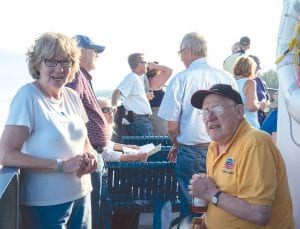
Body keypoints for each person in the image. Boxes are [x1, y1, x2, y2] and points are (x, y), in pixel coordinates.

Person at [0, 32, 97, 229]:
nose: (60, 68)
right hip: (44, 205)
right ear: (37, 64)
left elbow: (84, 142)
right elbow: (6, 155)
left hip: (82, 195)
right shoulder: (27, 97)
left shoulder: (71, 96)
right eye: (51, 61)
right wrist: (61, 165)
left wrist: (90, 156)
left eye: (66, 61)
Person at [157, 32, 238, 228]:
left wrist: (176, 143)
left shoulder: (181, 79)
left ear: (189, 51)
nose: (181, 57)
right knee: (224, 204)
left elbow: (172, 126)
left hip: (192, 152)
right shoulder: (226, 77)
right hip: (225, 151)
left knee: (193, 209)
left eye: (181, 53)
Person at [189, 83, 294, 229]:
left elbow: (259, 214)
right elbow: (221, 197)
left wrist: (210, 192)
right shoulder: (215, 145)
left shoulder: (255, 144)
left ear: (239, 111)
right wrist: (205, 221)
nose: (210, 117)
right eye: (205, 112)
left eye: (217, 109)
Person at [66, 34, 110, 229]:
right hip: (88, 155)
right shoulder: (76, 74)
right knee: (91, 212)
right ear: (81, 52)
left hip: (93, 153)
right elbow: (69, 104)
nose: (97, 55)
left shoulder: (82, 76)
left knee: (97, 208)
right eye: (95, 51)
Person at [97, 97, 148, 229]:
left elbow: (110, 145)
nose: (111, 113)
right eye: (106, 110)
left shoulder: (102, 128)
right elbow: (106, 154)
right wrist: (134, 157)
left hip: (109, 179)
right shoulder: (95, 130)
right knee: (133, 202)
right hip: (102, 182)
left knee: (134, 200)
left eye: (112, 109)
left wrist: (130, 148)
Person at [111, 53, 154, 137]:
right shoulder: (132, 78)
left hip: (139, 120)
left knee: (145, 148)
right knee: (149, 147)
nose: (147, 65)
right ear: (139, 64)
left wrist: (144, 97)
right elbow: (116, 92)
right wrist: (114, 106)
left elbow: (133, 97)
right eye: (145, 62)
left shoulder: (136, 78)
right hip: (139, 120)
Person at [234, 56, 267, 128]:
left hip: (236, 124)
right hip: (249, 124)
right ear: (251, 68)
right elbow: (251, 107)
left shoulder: (233, 83)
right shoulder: (250, 83)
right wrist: (260, 105)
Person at [145, 62, 172, 135]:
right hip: (158, 115)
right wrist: (155, 65)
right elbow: (169, 71)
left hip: (151, 113)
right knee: (161, 139)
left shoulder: (145, 81)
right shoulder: (154, 81)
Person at [249, 55, 270, 125]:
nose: (257, 69)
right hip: (250, 120)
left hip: (262, 118)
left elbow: (267, 99)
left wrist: (266, 103)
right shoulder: (243, 82)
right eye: (256, 66)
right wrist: (260, 106)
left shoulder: (260, 81)